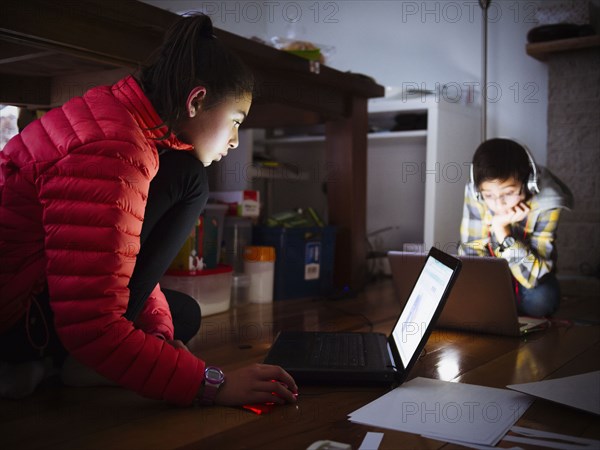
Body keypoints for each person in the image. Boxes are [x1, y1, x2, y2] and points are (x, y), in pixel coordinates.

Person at [0, 13, 298, 406]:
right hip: (15, 312)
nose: (235, 142)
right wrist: (214, 385)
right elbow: (89, 325)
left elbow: (115, 258)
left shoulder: (121, 118)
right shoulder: (115, 149)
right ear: (196, 101)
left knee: (181, 314)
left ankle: (52, 366)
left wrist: (157, 337)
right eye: (235, 122)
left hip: (36, 288)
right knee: (190, 178)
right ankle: (47, 363)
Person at [459, 138, 573, 318]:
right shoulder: (476, 193)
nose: (499, 203)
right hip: (493, 275)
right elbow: (472, 250)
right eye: (489, 195)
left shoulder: (549, 202)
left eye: (509, 193)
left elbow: (536, 275)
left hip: (530, 278)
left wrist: (502, 231)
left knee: (541, 300)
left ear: (529, 183)